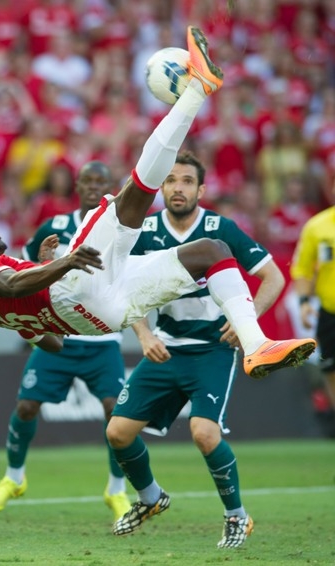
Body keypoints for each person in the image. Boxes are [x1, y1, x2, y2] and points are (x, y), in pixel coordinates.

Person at [0, 28, 314, 389]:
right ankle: (198, 88)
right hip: (76, 292)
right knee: (133, 194)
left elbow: (52, 342)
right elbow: (8, 284)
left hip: (103, 317)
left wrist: (41, 272)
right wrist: (61, 265)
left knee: (211, 251)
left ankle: (256, 346)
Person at [106, 151, 285, 548]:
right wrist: (144, 334)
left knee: (203, 433)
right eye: (170, 181)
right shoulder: (146, 229)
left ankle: (237, 517)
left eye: (186, 181)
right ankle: (150, 498)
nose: (178, 188)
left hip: (211, 351)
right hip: (165, 347)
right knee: (117, 433)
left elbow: (272, 277)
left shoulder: (222, 229)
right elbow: (122, 290)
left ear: (201, 189)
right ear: (162, 188)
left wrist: (246, 319)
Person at [0, 161, 131, 520]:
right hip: (58, 335)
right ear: (76, 185)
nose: (94, 187)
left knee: (116, 413)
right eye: (88, 181)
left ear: (109, 185)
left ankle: (117, 490)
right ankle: (13, 478)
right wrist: (44, 262)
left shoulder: (118, 227)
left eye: (101, 181)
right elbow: (26, 273)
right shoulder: (54, 226)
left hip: (102, 339)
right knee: (26, 407)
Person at [291, 179, 335, 435]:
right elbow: (303, 268)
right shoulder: (317, 227)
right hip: (329, 311)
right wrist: (305, 302)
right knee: (330, 371)